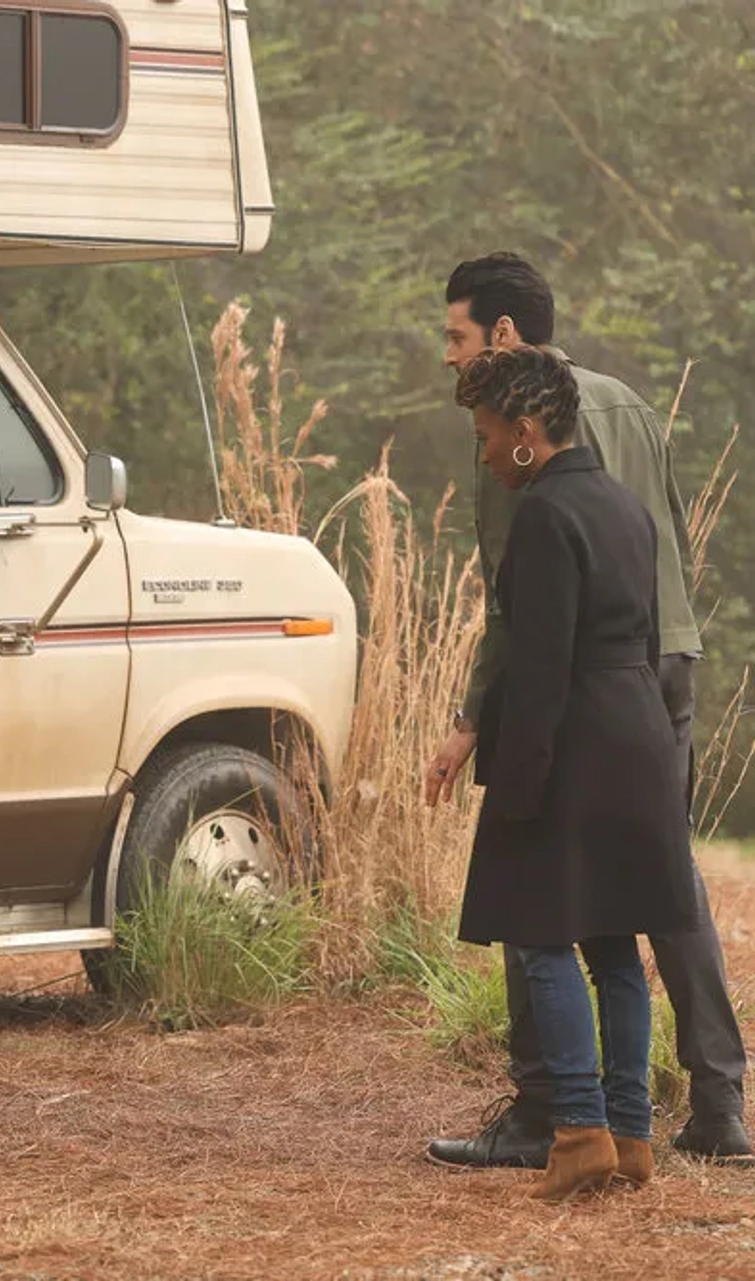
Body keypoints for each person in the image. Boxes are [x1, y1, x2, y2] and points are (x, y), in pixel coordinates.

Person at [424, 253, 750, 1168]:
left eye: (456, 337)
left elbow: (518, 603)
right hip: (662, 658)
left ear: (503, 337)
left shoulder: (518, 425)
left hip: (575, 679)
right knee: (658, 869)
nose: (450, 358)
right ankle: (719, 1102)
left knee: (545, 879)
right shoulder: (633, 403)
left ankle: (550, 1111)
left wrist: (472, 721)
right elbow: (668, 543)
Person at [449, 345, 698, 1199]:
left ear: (526, 432)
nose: (483, 453)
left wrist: (517, 783)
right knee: (617, 943)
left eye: (487, 436)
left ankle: (580, 1131)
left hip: (575, 743)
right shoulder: (628, 508)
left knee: (540, 932)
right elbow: (652, 630)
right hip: (638, 739)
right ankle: (632, 1137)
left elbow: (542, 663)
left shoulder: (546, 517)